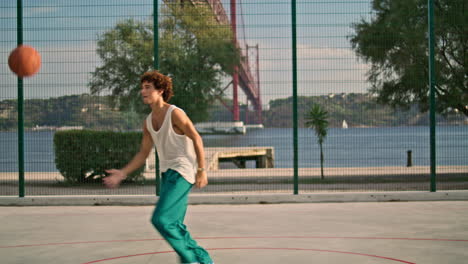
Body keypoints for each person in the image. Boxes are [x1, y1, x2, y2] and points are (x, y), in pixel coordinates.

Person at [103, 70, 214, 264]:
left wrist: (201, 170)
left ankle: (192, 259)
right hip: (167, 174)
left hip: (183, 171)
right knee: (174, 223)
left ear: (160, 90)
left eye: (148, 87)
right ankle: (202, 260)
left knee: (161, 219)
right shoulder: (147, 122)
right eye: (142, 88)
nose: (142, 91)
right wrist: (122, 173)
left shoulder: (175, 114)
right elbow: (143, 154)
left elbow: (197, 137)